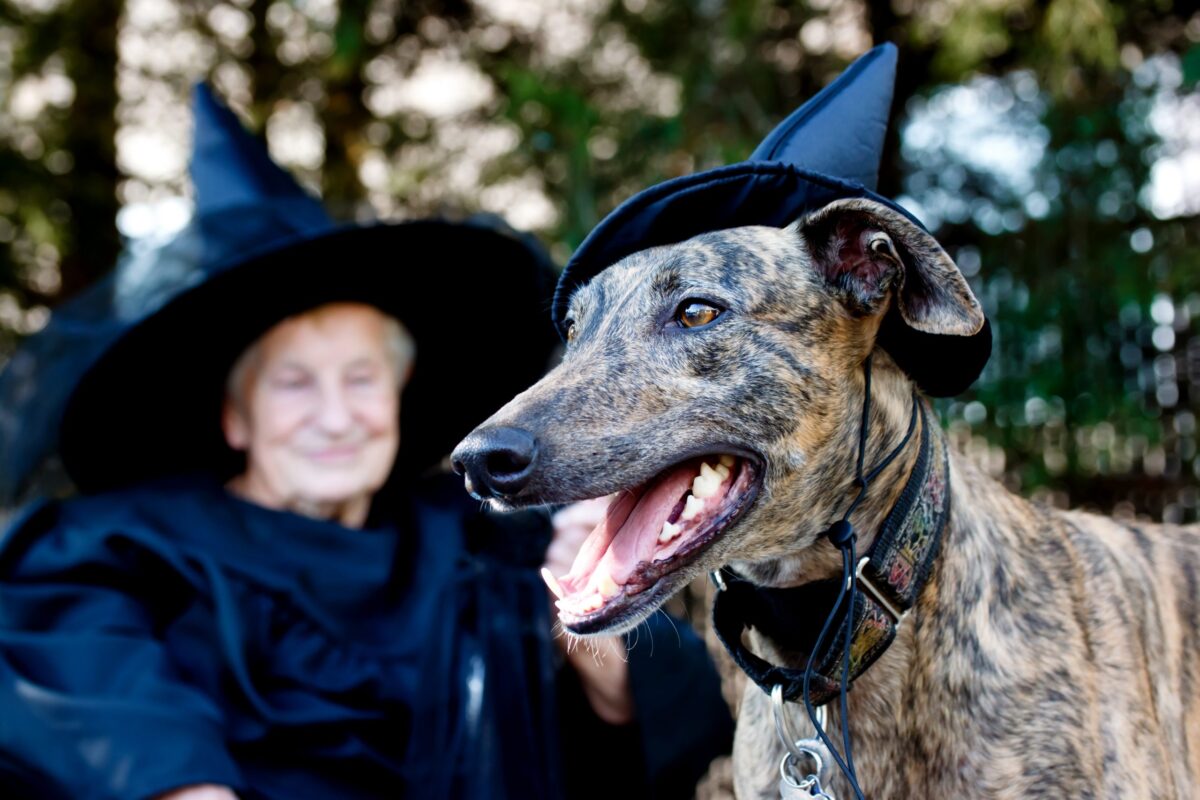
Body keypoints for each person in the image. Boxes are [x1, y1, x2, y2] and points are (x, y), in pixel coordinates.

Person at [0, 87, 732, 800]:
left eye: (361, 379)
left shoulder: (484, 538)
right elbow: (114, 732)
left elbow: (648, 727)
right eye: (293, 383)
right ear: (235, 417)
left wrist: (588, 593)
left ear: (399, 397)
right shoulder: (112, 551)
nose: (335, 415)